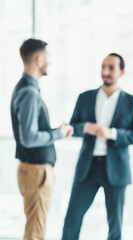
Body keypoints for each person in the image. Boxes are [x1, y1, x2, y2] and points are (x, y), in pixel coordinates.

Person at [62, 53, 133, 240]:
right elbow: (73, 127)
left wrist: (113, 133)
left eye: (111, 68)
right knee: (71, 220)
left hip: (116, 169)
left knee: (115, 226)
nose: (105, 72)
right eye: (103, 67)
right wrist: (86, 127)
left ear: (121, 72)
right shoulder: (85, 98)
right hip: (87, 167)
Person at [10, 38, 74, 240]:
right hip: (36, 172)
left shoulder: (26, 89)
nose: (50, 62)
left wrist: (56, 131)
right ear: (38, 59)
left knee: (35, 227)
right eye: (47, 57)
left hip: (34, 171)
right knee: (35, 232)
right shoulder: (29, 92)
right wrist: (58, 134)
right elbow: (28, 138)